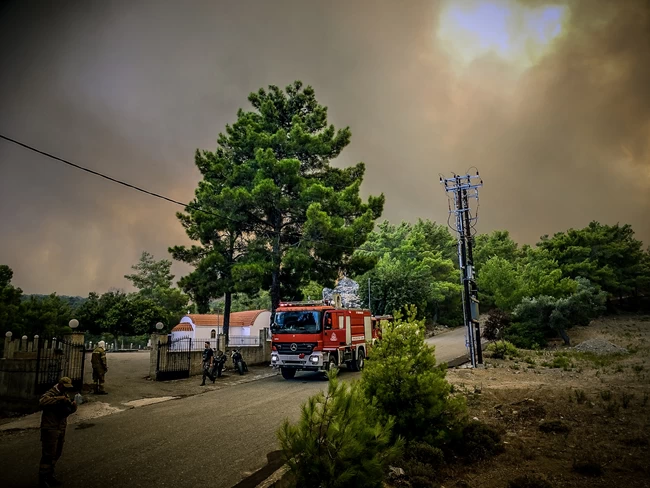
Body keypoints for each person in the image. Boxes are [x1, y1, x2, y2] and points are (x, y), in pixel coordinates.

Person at [38, 377, 78, 488]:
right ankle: (43, 478)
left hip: (61, 427)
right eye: (65, 387)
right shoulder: (51, 393)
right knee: (48, 455)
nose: (66, 390)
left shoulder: (65, 394)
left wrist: (73, 406)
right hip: (50, 428)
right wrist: (59, 398)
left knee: (57, 453)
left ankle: (50, 476)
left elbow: (67, 410)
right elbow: (42, 401)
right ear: (60, 385)